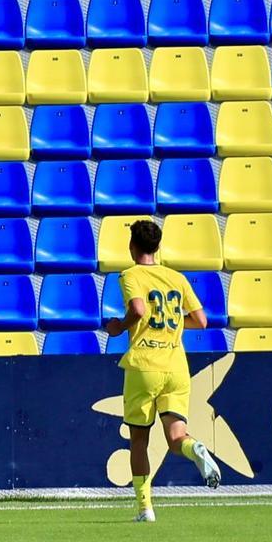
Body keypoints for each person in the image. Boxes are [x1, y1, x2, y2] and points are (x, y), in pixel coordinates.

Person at [105, 221, 222, 522]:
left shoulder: (130, 274)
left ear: (132, 246)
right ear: (157, 247)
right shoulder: (176, 277)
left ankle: (145, 508)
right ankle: (194, 447)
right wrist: (176, 323)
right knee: (175, 437)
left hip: (145, 365)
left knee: (139, 441)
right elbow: (201, 320)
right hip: (176, 366)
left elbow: (139, 309)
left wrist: (119, 326)